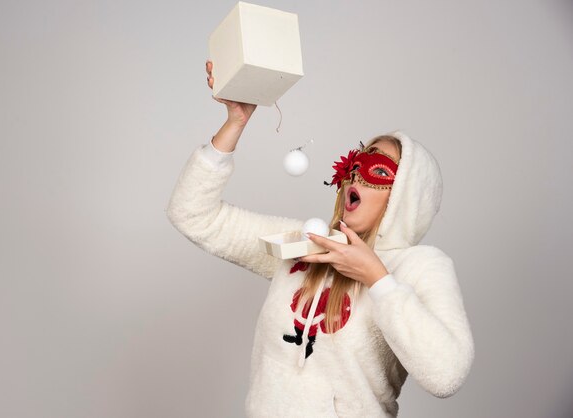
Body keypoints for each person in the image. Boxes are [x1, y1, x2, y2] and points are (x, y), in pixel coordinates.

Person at [165, 60, 475, 418]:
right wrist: (236, 122)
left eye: (378, 170)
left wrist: (377, 278)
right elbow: (191, 214)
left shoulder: (419, 267)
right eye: (353, 167)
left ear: (407, 194)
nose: (356, 177)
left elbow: (447, 375)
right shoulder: (306, 244)